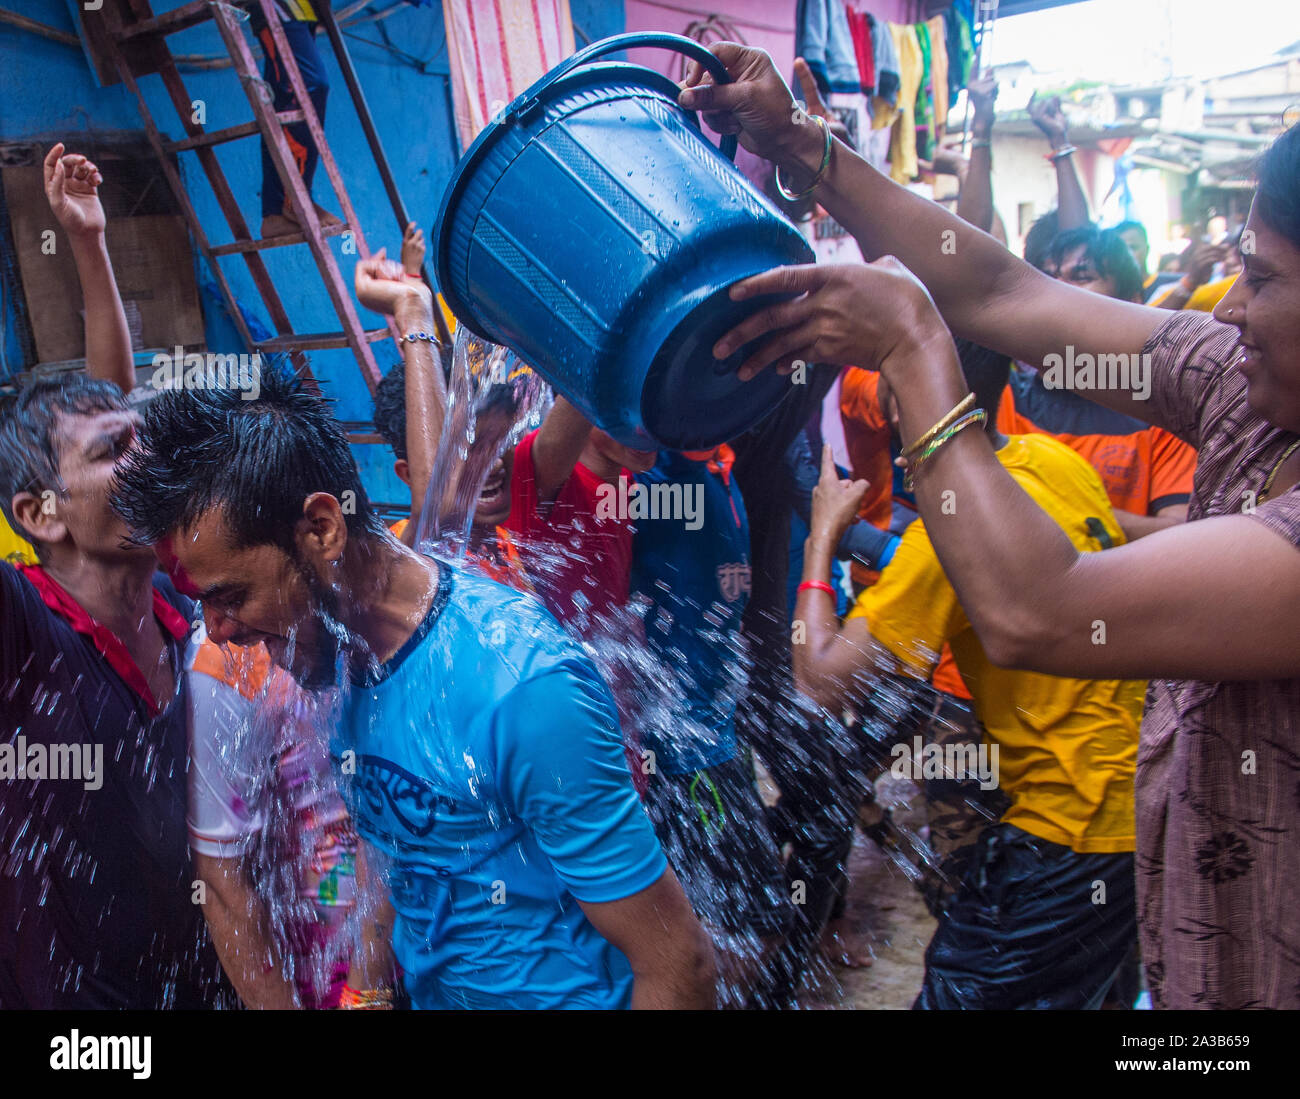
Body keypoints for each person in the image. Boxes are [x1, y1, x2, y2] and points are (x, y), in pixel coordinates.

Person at [682, 42, 1300, 1009]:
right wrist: (806, 147)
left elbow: (1039, 609)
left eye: (1259, 279)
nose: (1232, 304)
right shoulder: (1240, 391)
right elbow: (1007, 293)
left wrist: (913, 347)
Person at [110, 366, 716, 1010]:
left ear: (321, 528)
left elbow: (678, 965)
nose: (221, 632)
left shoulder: (521, 687)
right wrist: (365, 997)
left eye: (231, 597)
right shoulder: (345, 658)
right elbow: (397, 856)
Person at [794, 346, 1140, 1009]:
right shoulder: (1055, 463)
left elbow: (819, 680)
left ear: (903, 400)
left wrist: (821, 536)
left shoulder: (948, 531)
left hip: (1071, 824)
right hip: (1136, 802)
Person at [0, 147, 232, 1008]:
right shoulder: (28, 632)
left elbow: (112, 419)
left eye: (145, 441)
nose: (147, 465)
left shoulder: (179, 607)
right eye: (113, 456)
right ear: (39, 516)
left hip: (206, 977)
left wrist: (89, 245)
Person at [630, 444, 794, 1007]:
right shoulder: (647, 477)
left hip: (717, 731)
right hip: (683, 752)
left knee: (743, 920)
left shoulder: (719, 463)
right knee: (747, 926)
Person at [248, 1, 343, 239]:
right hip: (279, 7)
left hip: (299, 9)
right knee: (308, 88)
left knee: (282, 103)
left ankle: (275, 213)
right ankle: (295, 200)